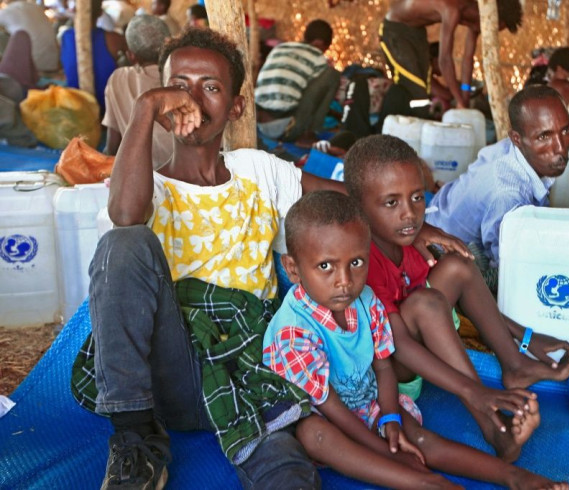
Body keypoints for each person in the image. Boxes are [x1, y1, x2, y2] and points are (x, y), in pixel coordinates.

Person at [69, 26, 467, 489]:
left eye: (211, 87)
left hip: (251, 372)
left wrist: (411, 226)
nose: (192, 100)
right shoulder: (145, 187)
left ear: (236, 106)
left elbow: (348, 205)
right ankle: (136, 440)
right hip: (169, 374)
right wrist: (142, 109)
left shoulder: (259, 171)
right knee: (124, 243)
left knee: (289, 469)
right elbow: (124, 214)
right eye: (178, 87)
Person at [263, 190, 569, 490]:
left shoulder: (365, 300)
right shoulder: (294, 332)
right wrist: (387, 452)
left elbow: (383, 369)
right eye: (326, 266)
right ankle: (426, 482)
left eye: (356, 263)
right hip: (321, 415)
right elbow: (330, 407)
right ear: (293, 269)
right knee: (314, 435)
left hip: (364, 401)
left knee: (417, 439)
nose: (344, 280)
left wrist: (392, 418)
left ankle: (513, 477)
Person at [344, 134, 569, 447]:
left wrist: (526, 335)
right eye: (392, 202)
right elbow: (397, 343)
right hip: (390, 374)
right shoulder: (364, 262)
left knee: (457, 265)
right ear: (359, 207)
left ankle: (515, 363)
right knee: (426, 303)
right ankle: (494, 427)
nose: (410, 214)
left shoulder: (409, 244)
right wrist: (475, 390)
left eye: (416, 197)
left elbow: (467, 303)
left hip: (422, 345)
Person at [426, 85, 569, 304]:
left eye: (565, 131)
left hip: (444, 212)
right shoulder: (508, 194)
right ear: (517, 138)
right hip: (445, 253)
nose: (559, 148)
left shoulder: (515, 151)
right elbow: (509, 275)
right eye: (544, 137)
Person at [381, 0, 522, 110]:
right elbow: (444, 60)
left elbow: (468, 59)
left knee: (424, 83)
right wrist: (459, 100)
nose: (488, 33)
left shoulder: (475, 22)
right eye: (492, 28)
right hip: (395, 30)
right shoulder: (452, 8)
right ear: (489, 16)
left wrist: (465, 95)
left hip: (417, 32)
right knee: (415, 90)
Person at [102, 14, 173, 166]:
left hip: (140, 176)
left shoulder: (117, 79)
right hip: (185, 175)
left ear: (131, 56)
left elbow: (113, 144)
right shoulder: (184, 77)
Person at [255, 19, 340, 145]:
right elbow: (314, 97)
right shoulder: (317, 57)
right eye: (325, 48)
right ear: (319, 43)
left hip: (259, 125)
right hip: (286, 130)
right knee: (332, 75)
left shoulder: (280, 47)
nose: (324, 52)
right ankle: (310, 133)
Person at [60, 0, 127, 114]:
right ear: (101, 13)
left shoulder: (65, 37)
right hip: (106, 108)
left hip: (75, 104)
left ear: (76, 11)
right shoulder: (114, 39)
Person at [0, 0, 60, 73]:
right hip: (51, 63)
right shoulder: (36, 7)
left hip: (32, 67)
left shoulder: (7, 12)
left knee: (1, 36)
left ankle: (6, 73)